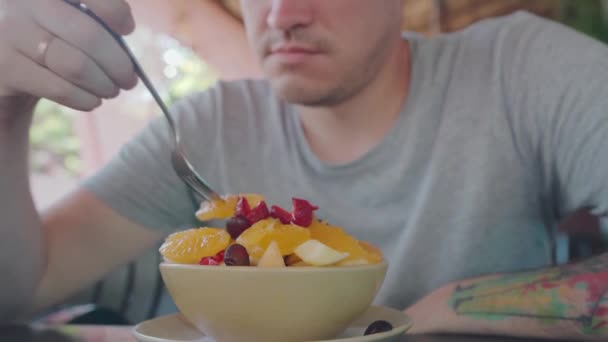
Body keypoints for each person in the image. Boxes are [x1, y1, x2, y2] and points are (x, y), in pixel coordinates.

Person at [1, 0, 607, 339]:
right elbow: (24, 288)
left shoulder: (520, 69)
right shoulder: (210, 125)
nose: (282, 13)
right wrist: (6, 106)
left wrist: (453, 305)